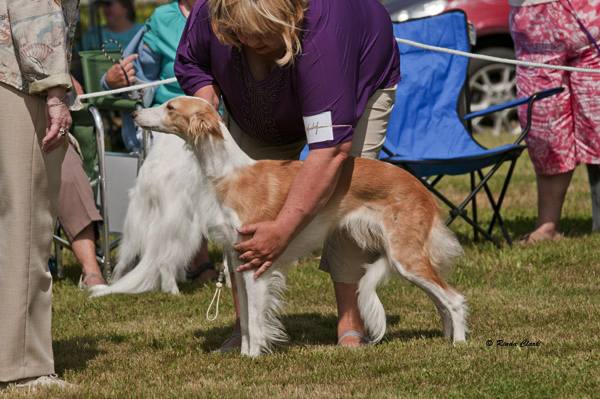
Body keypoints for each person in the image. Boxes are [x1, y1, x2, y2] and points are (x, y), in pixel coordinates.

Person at [175, 0, 400, 349]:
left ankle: (350, 322)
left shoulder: (325, 30)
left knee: (344, 198)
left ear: (290, 15)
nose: (251, 42)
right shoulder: (211, 13)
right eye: (239, 35)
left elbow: (329, 152)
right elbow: (191, 61)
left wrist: (282, 230)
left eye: (262, 35)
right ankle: (248, 327)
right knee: (242, 213)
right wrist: (206, 101)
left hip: (352, 77)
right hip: (252, 99)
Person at [101, 0, 218, 283]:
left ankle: (186, 256)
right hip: (171, 122)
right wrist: (113, 82)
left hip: (220, 119)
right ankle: (189, 257)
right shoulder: (163, 18)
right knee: (184, 163)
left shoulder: (228, 10)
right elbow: (141, 82)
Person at [0, 0, 80, 389]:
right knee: (25, 223)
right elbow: (33, 7)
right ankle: (23, 366)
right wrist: (55, 93)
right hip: (17, 79)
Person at [509, 0, 600, 243]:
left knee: (598, 120)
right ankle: (547, 226)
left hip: (591, 12)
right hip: (533, 19)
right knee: (544, 127)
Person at [79, 0, 143, 52]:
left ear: (126, 5)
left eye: (108, 3)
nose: (103, 8)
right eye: (102, 4)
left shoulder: (144, 31)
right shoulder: (93, 34)